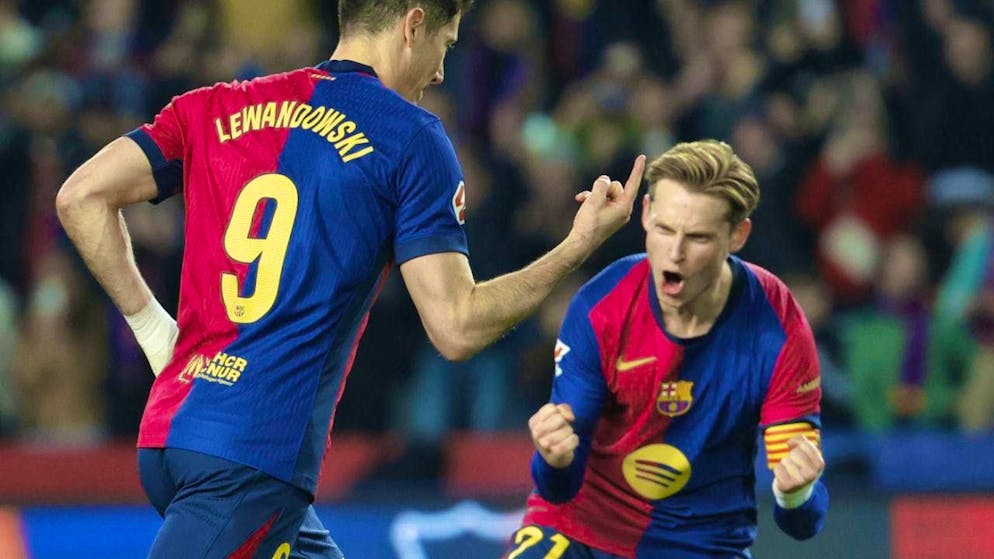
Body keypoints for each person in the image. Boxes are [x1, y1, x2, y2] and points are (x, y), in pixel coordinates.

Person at [54, 1, 646, 557]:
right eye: (446, 42)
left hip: (172, 437)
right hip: (250, 465)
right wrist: (578, 244)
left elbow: (81, 197)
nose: (442, 71)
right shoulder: (409, 137)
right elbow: (457, 327)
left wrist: (153, 329)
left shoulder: (214, 106)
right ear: (414, 23)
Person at [506, 140, 828, 559]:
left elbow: (804, 523)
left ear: (737, 235)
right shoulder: (600, 307)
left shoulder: (776, 323)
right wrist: (552, 459)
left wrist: (795, 494)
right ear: (645, 215)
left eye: (696, 238)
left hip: (704, 546)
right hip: (581, 531)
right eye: (663, 229)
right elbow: (558, 487)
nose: (674, 253)